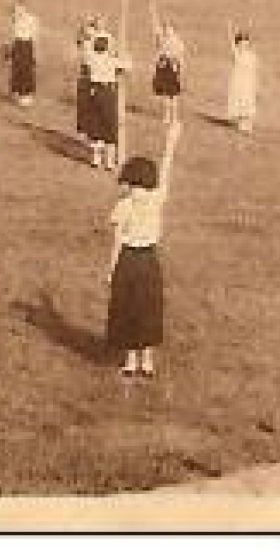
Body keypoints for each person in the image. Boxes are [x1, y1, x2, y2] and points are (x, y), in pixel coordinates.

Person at [106, 119, 183, 378]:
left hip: (148, 259)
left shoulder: (155, 201)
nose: (137, 191)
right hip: (128, 260)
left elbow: (167, 169)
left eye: (142, 186)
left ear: (149, 186)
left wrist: (171, 141)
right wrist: (111, 268)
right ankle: (130, 358)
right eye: (133, 186)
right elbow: (118, 238)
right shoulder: (124, 206)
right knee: (128, 306)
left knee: (148, 307)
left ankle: (146, 358)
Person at [83, 31, 128, 171]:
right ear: (106, 48)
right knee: (109, 125)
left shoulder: (91, 58)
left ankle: (96, 160)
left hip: (94, 92)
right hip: (107, 93)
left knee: (97, 124)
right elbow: (126, 67)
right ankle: (108, 162)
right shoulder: (110, 60)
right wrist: (124, 55)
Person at [149, 1, 185, 127]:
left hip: (172, 68)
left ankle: (174, 117)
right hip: (163, 68)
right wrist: (153, 12)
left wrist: (180, 71)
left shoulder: (178, 42)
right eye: (166, 29)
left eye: (170, 29)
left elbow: (180, 58)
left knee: (173, 96)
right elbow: (156, 28)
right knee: (165, 95)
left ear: (174, 30)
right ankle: (167, 116)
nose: (167, 31)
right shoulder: (163, 40)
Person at [7, 0, 39, 107]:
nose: (17, 11)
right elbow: (13, 33)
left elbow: (34, 34)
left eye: (20, 9)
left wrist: (34, 49)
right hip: (18, 44)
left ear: (25, 8)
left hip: (27, 45)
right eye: (16, 9)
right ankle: (18, 93)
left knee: (26, 69)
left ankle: (26, 95)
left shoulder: (31, 19)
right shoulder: (15, 19)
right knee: (16, 69)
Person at [226, 24, 259, 134]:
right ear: (238, 44)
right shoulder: (237, 55)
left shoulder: (251, 55)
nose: (243, 44)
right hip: (239, 82)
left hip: (248, 82)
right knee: (240, 101)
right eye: (241, 42)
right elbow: (232, 46)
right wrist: (230, 31)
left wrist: (254, 83)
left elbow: (254, 70)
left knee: (248, 102)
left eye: (245, 42)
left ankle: (248, 124)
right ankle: (241, 124)